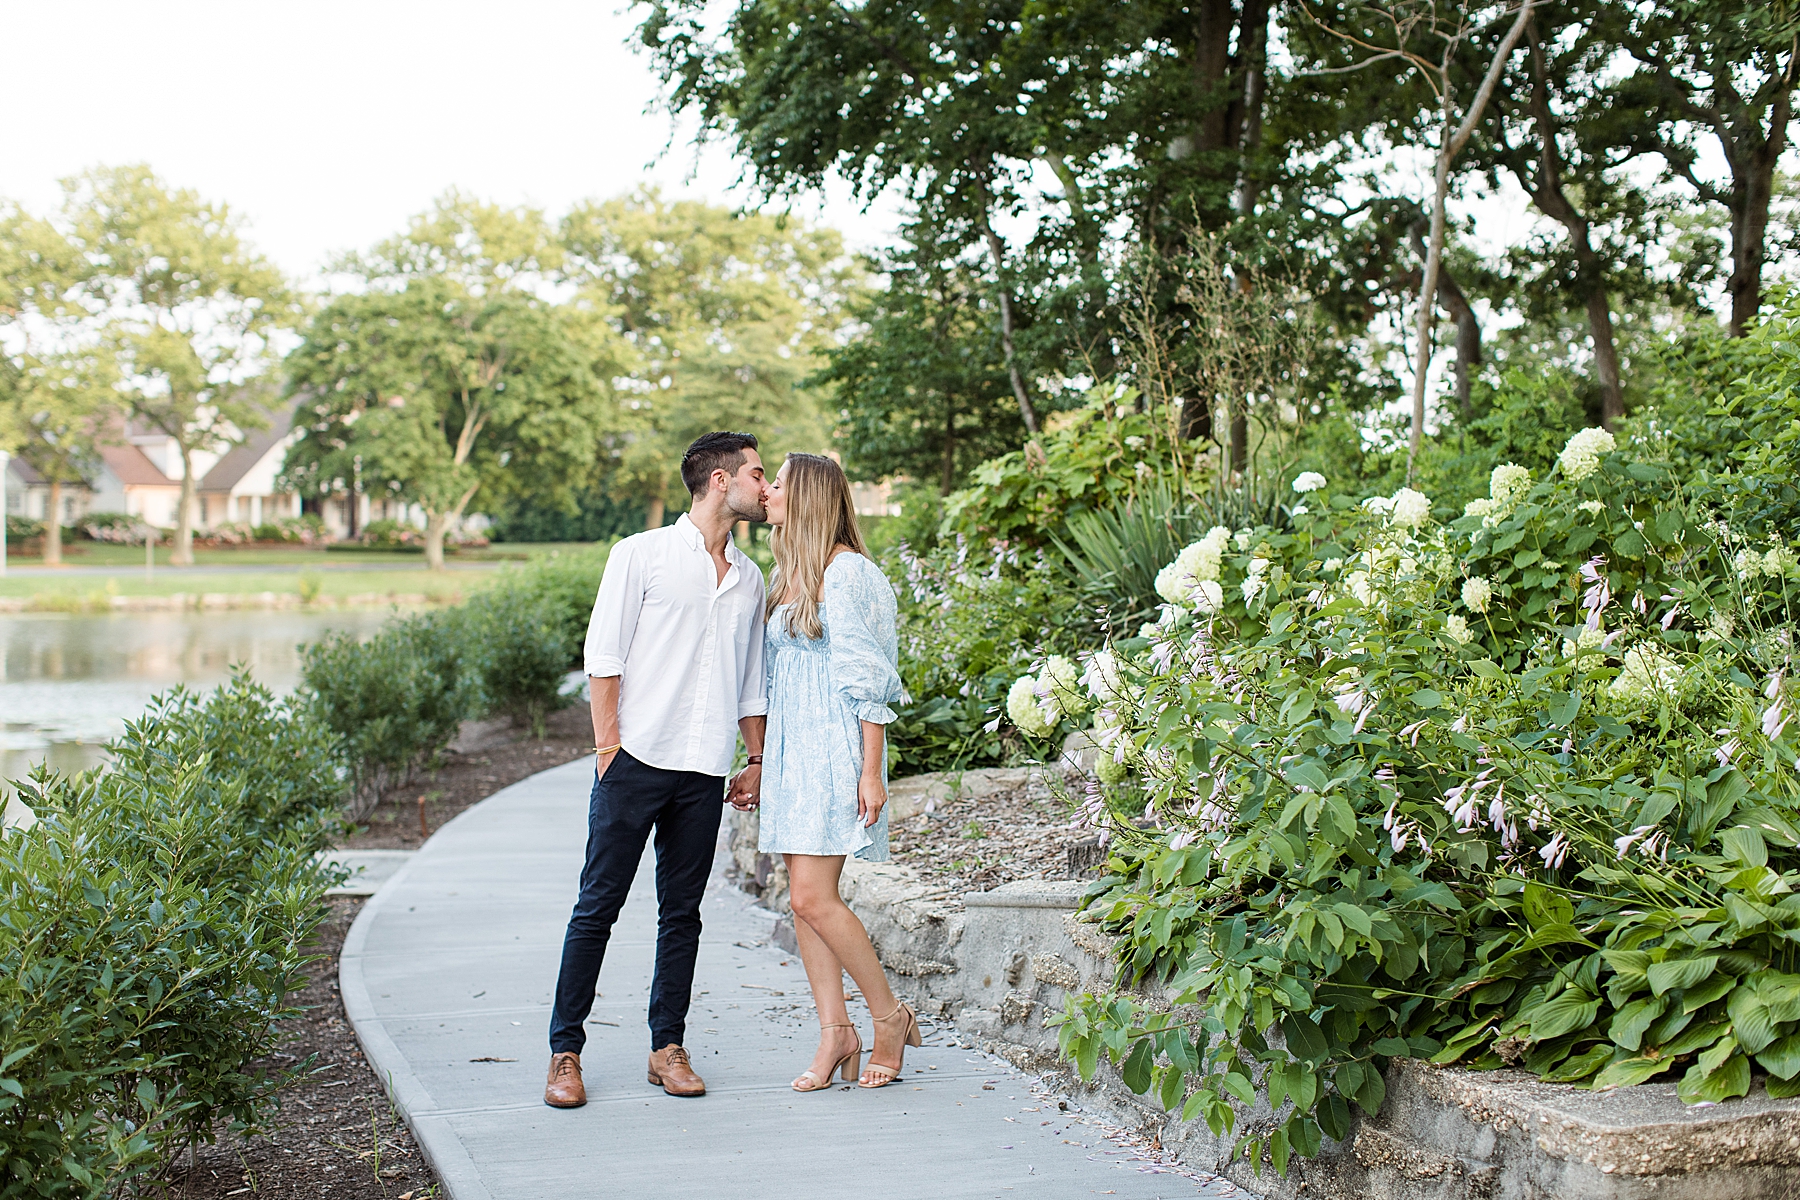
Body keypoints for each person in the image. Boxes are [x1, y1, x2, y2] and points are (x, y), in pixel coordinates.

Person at [543, 432, 769, 1108]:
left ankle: (666, 1047)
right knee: (597, 908)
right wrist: (608, 750)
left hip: (703, 772)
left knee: (684, 915)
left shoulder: (750, 579)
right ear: (721, 480)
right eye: (757, 473)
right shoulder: (639, 555)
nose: (765, 486)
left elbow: (752, 680)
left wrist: (754, 758)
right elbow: (603, 656)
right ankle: (565, 1052)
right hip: (635, 762)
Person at [729, 452, 919, 1091]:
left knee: (815, 897)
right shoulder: (793, 574)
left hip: (834, 749)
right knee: (803, 902)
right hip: (792, 751)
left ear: (806, 497)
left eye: (776, 484)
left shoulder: (849, 575)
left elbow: (869, 683)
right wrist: (759, 760)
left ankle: (888, 1018)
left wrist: (871, 772)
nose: (767, 494)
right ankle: (835, 1033)